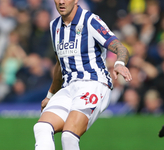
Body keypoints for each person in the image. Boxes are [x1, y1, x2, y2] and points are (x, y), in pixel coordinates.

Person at [33, 0, 132, 150]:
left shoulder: (90, 20)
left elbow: (120, 47)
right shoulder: (54, 26)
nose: (61, 1)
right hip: (69, 88)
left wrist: (119, 64)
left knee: (69, 135)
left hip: (94, 83)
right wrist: (50, 95)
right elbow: (60, 64)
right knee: (42, 128)